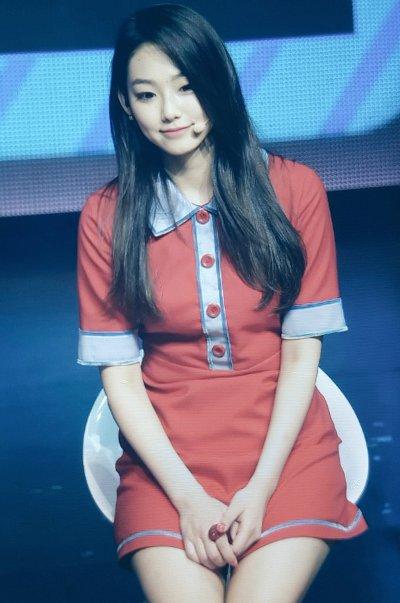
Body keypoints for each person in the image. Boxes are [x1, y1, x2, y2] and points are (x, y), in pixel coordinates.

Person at [76, 4, 368, 601]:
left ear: (218, 81)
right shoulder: (106, 216)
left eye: (186, 86)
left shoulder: (295, 189)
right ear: (126, 105)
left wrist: (261, 489)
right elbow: (120, 377)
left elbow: (300, 352)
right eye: (147, 94)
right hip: (167, 466)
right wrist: (186, 497)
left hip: (285, 453)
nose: (170, 111)